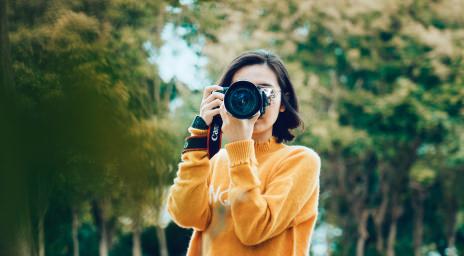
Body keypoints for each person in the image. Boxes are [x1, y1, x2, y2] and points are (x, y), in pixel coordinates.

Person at [167, 49, 321, 256]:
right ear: (223, 97)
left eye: (264, 92)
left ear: (283, 102)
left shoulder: (300, 161)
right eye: (241, 92)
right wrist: (200, 136)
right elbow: (185, 216)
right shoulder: (215, 160)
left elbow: (253, 231)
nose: (252, 101)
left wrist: (241, 146)